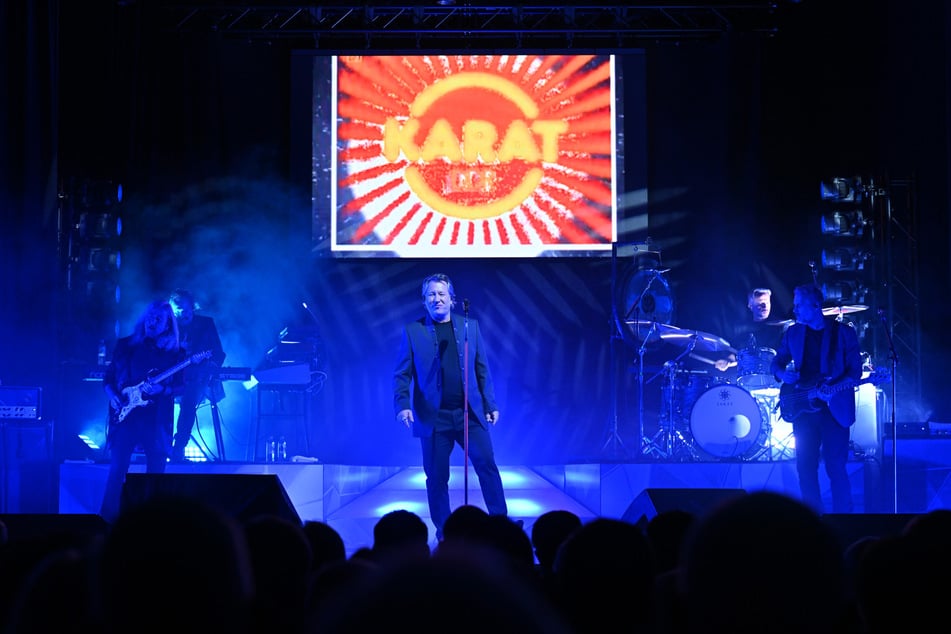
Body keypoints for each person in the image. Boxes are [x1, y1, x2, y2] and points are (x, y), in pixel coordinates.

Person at [393, 273, 508, 542]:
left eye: (442, 294)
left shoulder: (470, 327)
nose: (437, 299)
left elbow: (483, 369)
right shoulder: (413, 331)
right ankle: (445, 532)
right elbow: (401, 373)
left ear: (452, 299)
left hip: (470, 414)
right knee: (436, 477)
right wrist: (402, 405)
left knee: (487, 466)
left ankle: (501, 523)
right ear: (424, 301)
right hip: (434, 418)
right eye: (431, 295)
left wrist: (490, 403)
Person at [770, 283, 863, 513]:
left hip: (835, 409)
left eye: (799, 305)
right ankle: (813, 519)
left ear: (816, 305)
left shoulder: (843, 333)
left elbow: (855, 372)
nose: (795, 310)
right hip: (804, 407)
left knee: (836, 468)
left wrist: (832, 388)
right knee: (805, 467)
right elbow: (776, 362)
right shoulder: (793, 333)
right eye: (795, 305)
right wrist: (783, 374)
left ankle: (844, 519)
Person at [100, 300, 184, 522]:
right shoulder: (126, 345)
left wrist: (163, 389)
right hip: (125, 418)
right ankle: (107, 521)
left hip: (156, 420)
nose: (152, 321)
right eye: (150, 317)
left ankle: (152, 523)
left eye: (158, 318)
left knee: (155, 473)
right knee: (117, 470)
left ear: (167, 324)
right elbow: (108, 378)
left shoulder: (175, 353)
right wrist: (114, 396)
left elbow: (183, 386)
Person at [168, 288, 226, 462]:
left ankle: (178, 447)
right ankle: (159, 445)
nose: (182, 313)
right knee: (159, 401)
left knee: (189, 400)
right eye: (177, 310)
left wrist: (210, 367)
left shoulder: (206, 324)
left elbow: (218, 353)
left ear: (192, 307)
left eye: (185, 309)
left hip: (197, 377)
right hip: (171, 377)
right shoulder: (168, 326)